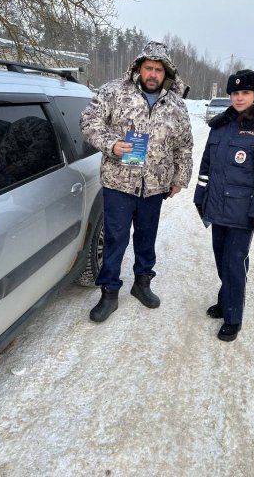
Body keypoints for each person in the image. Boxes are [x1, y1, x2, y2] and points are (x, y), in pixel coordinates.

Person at [80, 41, 193, 322]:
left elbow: (185, 145)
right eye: (148, 68)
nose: (153, 74)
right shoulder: (113, 92)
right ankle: (109, 293)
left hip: (155, 186)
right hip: (119, 183)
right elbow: (89, 122)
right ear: (139, 68)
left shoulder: (176, 105)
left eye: (158, 69)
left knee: (146, 238)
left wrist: (180, 177)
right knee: (115, 239)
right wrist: (111, 144)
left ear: (165, 72)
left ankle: (142, 284)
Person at [194, 69, 254, 342]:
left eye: (245, 92)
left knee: (234, 262)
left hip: (243, 213)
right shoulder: (221, 125)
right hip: (218, 208)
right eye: (235, 92)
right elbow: (207, 164)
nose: (239, 97)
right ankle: (226, 299)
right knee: (222, 260)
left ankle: (233, 316)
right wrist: (200, 195)